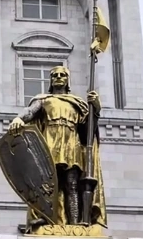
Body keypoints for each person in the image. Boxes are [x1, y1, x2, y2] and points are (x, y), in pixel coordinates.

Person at [8, 65, 105, 228]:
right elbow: (30, 112)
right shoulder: (44, 99)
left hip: (71, 144)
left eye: (62, 75)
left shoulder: (77, 103)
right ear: (51, 80)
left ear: (68, 80)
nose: (58, 77)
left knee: (71, 184)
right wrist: (19, 119)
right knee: (47, 183)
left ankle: (75, 224)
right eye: (55, 75)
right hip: (49, 142)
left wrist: (96, 109)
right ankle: (46, 217)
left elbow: (87, 130)